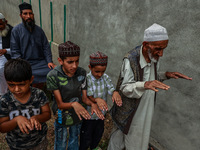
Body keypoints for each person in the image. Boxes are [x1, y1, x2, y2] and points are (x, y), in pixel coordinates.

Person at [108, 23, 192, 150]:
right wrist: (145, 85)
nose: (161, 53)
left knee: (139, 138)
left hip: (146, 108)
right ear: (146, 44)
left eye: (164, 48)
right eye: (158, 48)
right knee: (121, 139)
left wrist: (166, 75)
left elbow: (151, 78)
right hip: (130, 111)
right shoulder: (130, 59)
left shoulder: (154, 56)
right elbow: (125, 88)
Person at [46, 41, 104, 150]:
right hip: (62, 114)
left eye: (77, 61)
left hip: (78, 114)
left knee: (74, 138)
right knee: (61, 141)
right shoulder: (53, 76)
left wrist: (93, 104)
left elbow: (84, 98)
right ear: (60, 61)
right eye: (70, 62)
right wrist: (74, 104)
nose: (74, 65)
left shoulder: (81, 73)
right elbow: (60, 104)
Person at [0, 58, 51, 150]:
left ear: (31, 80)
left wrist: (37, 117)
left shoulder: (39, 94)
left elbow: (47, 114)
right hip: (17, 145)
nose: (16, 89)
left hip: (39, 142)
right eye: (11, 85)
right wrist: (16, 120)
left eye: (21, 84)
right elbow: (2, 127)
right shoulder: (5, 101)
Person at [79, 51, 122, 150]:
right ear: (90, 67)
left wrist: (115, 93)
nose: (100, 74)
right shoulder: (87, 79)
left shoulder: (105, 78)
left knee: (98, 133)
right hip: (89, 116)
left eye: (103, 71)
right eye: (97, 71)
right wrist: (97, 99)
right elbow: (88, 95)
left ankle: (94, 147)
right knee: (86, 136)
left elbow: (111, 88)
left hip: (101, 115)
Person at [10, 2, 55, 89]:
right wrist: (22, 66)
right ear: (21, 15)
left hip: (41, 63)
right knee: (26, 74)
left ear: (33, 15)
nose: (28, 16)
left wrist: (49, 61)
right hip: (26, 64)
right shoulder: (16, 31)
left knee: (53, 71)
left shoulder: (39, 30)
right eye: (25, 14)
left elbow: (46, 47)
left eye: (30, 13)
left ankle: (47, 93)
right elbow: (15, 52)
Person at [0, 13, 12, 97]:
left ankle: (3, 94)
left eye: (0, 24)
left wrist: (5, 51)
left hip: (6, 56)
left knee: (1, 69)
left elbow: (17, 49)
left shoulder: (12, 31)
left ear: (6, 22)